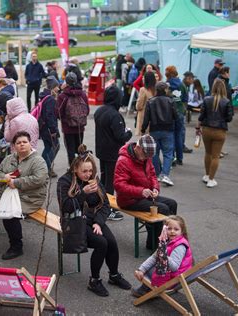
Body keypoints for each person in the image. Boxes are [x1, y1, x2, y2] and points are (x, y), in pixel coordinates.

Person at [57, 145, 131, 297]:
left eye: (90, 171)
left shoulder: (93, 180)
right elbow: (66, 207)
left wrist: (98, 222)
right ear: (75, 169)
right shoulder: (64, 181)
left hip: (93, 219)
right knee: (101, 243)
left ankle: (114, 275)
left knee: (111, 241)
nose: (88, 174)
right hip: (75, 221)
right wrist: (82, 194)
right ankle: (94, 280)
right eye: (84, 171)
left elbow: (105, 204)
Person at [0, 131, 48, 260]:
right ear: (14, 145)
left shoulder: (38, 161)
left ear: (30, 144)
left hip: (30, 197)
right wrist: (4, 177)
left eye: (25, 142)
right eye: (18, 143)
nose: (22, 145)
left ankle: (16, 247)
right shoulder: (10, 158)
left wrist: (16, 182)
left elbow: (39, 179)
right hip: (8, 192)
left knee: (9, 213)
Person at [114, 135, 178, 249]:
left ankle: (169, 239)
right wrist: (140, 191)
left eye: (148, 156)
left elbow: (153, 175)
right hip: (129, 200)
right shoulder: (123, 161)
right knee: (163, 208)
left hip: (145, 195)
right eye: (145, 155)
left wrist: (155, 188)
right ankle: (156, 245)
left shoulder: (145, 156)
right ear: (138, 148)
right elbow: (119, 186)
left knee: (172, 203)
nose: (146, 158)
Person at [94, 85, 133, 221]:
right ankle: (108, 209)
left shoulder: (99, 111)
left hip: (101, 151)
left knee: (104, 180)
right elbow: (121, 136)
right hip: (112, 153)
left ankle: (101, 203)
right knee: (110, 182)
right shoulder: (115, 115)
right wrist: (129, 132)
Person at [131, 215, 192, 297]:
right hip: (173, 275)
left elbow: (174, 267)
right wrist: (141, 269)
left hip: (174, 278)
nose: (172, 231)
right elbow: (154, 257)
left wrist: (164, 255)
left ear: (182, 231)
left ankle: (145, 289)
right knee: (150, 265)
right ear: (164, 229)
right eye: (169, 229)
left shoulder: (180, 246)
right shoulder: (167, 241)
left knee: (151, 269)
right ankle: (147, 288)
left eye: (176, 229)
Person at [197, 79, 234, 188]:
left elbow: (201, 116)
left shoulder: (207, 99)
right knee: (215, 156)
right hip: (220, 131)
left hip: (207, 130)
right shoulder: (226, 101)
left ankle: (207, 175)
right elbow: (229, 118)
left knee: (208, 153)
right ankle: (211, 179)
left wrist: (198, 127)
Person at [141, 82, 177, 186]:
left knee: (154, 153)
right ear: (165, 90)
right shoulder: (171, 101)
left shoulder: (150, 101)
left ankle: (156, 174)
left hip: (154, 129)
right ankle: (165, 174)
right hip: (168, 129)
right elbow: (176, 116)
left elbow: (146, 118)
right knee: (168, 153)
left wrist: (143, 130)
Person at [56, 72, 90, 165]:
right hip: (80, 127)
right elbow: (87, 110)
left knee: (70, 151)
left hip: (68, 128)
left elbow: (58, 112)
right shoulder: (82, 94)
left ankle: (72, 171)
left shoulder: (62, 96)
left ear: (66, 82)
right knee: (80, 149)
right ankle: (81, 169)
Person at [39, 76, 61, 178]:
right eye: (57, 86)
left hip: (43, 128)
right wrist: (53, 130)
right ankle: (46, 168)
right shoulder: (50, 99)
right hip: (48, 129)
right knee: (54, 146)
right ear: (52, 87)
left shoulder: (44, 96)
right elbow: (50, 116)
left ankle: (43, 167)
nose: (58, 88)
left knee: (48, 147)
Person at [135, 72, 156, 136]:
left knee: (143, 141)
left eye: (144, 77)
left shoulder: (143, 90)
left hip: (144, 117)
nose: (142, 79)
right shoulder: (156, 90)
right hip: (154, 118)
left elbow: (139, 106)